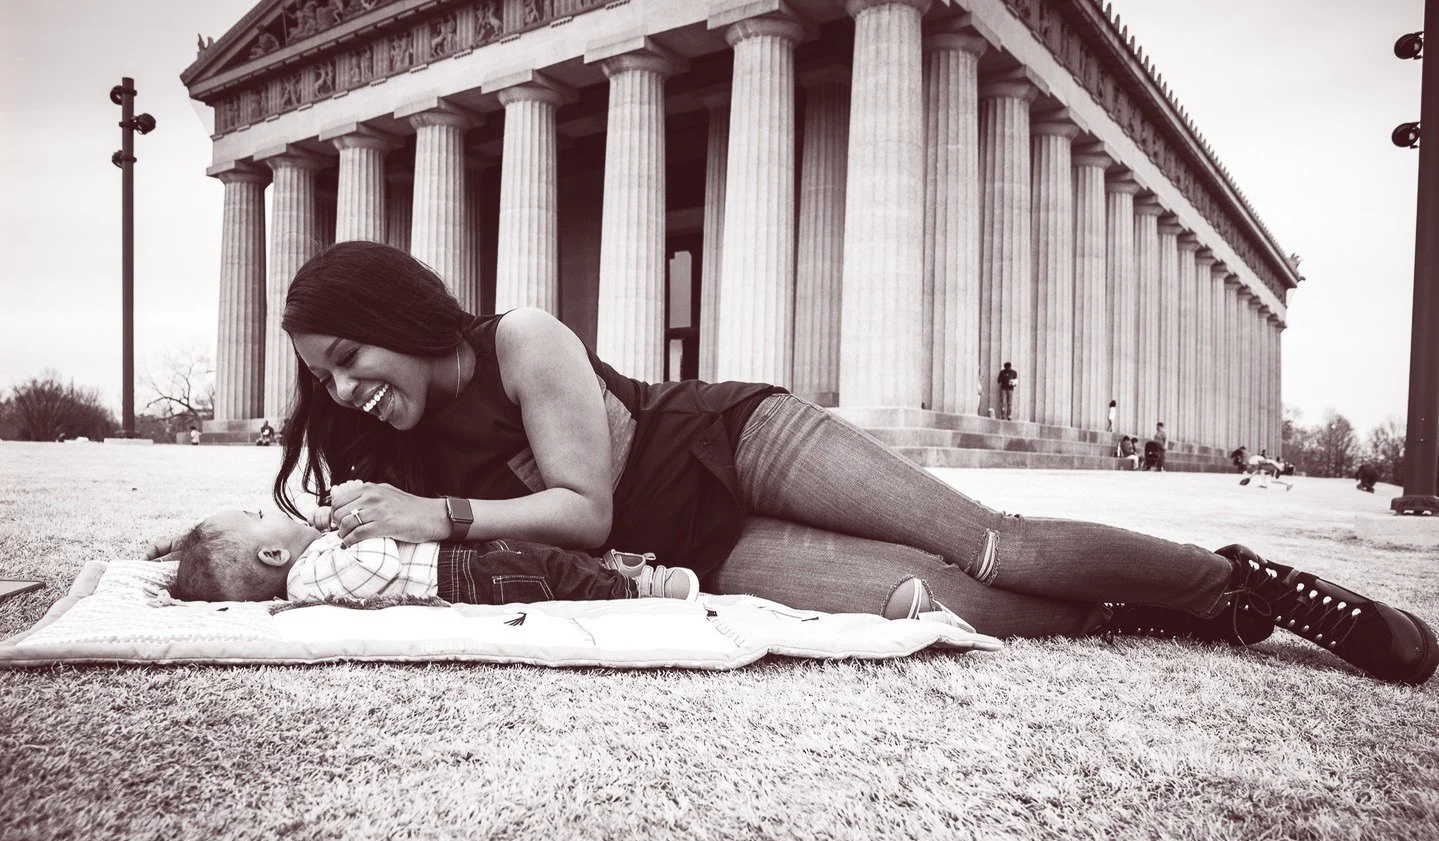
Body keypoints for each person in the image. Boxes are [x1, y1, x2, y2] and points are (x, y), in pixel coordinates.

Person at [147, 241, 1435, 686]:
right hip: (701, 547)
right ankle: (1160, 607)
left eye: (347, 354)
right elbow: (329, 541)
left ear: (401, 316)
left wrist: (430, 513)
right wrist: (210, 558)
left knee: (989, 544)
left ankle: (1245, 588)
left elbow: (581, 515)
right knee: (961, 610)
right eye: (319, 373)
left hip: (735, 443)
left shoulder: (519, 338)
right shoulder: (384, 439)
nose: (338, 387)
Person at [170, 496, 700, 606]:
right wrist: (356, 525)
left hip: (461, 561)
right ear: (271, 558)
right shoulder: (311, 575)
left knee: (542, 553)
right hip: (461, 577)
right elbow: (377, 567)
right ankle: (633, 590)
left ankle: (606, 567)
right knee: (546, 574)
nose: (272, 512)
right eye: (260, 520)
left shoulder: (312, 560)